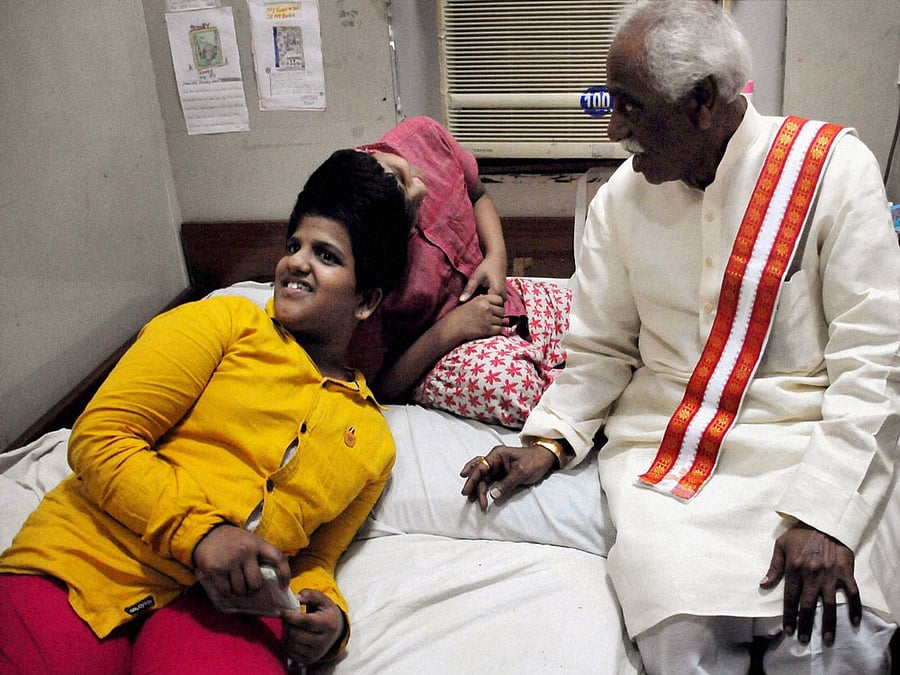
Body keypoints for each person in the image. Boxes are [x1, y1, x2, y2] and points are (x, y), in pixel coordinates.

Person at [461, 1, 900, 672]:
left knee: (834, 641)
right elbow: (601, 348)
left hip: (811, 452)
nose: (613, 130)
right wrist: (547, 440)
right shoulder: (619, 202)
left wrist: (828, 513)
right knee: (675, 638)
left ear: (702, 102)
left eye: (631, 107)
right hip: (668, 465)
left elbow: (876, 361)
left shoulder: (833, 172)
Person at [0, 149, 413, 673]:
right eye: (294, 245)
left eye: (327, 255)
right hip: (85, 560)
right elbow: (101, 437)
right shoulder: (222, 322)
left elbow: (313, 560)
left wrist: (330, 620)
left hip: (226, 610)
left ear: (367, 301)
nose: (297, 262)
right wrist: (203, 535)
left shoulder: (373, 443)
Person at [350, 117, 571, 427]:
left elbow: (478, 194)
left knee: (608, 322)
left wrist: (495, 256)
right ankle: (582, 410)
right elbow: (376, 386)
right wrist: (451, 329)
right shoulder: (364, 267)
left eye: (406, 177)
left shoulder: (425, 137)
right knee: (512, 387)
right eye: (412, 217)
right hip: (439, 353)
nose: (422, 189)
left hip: (507, 303)